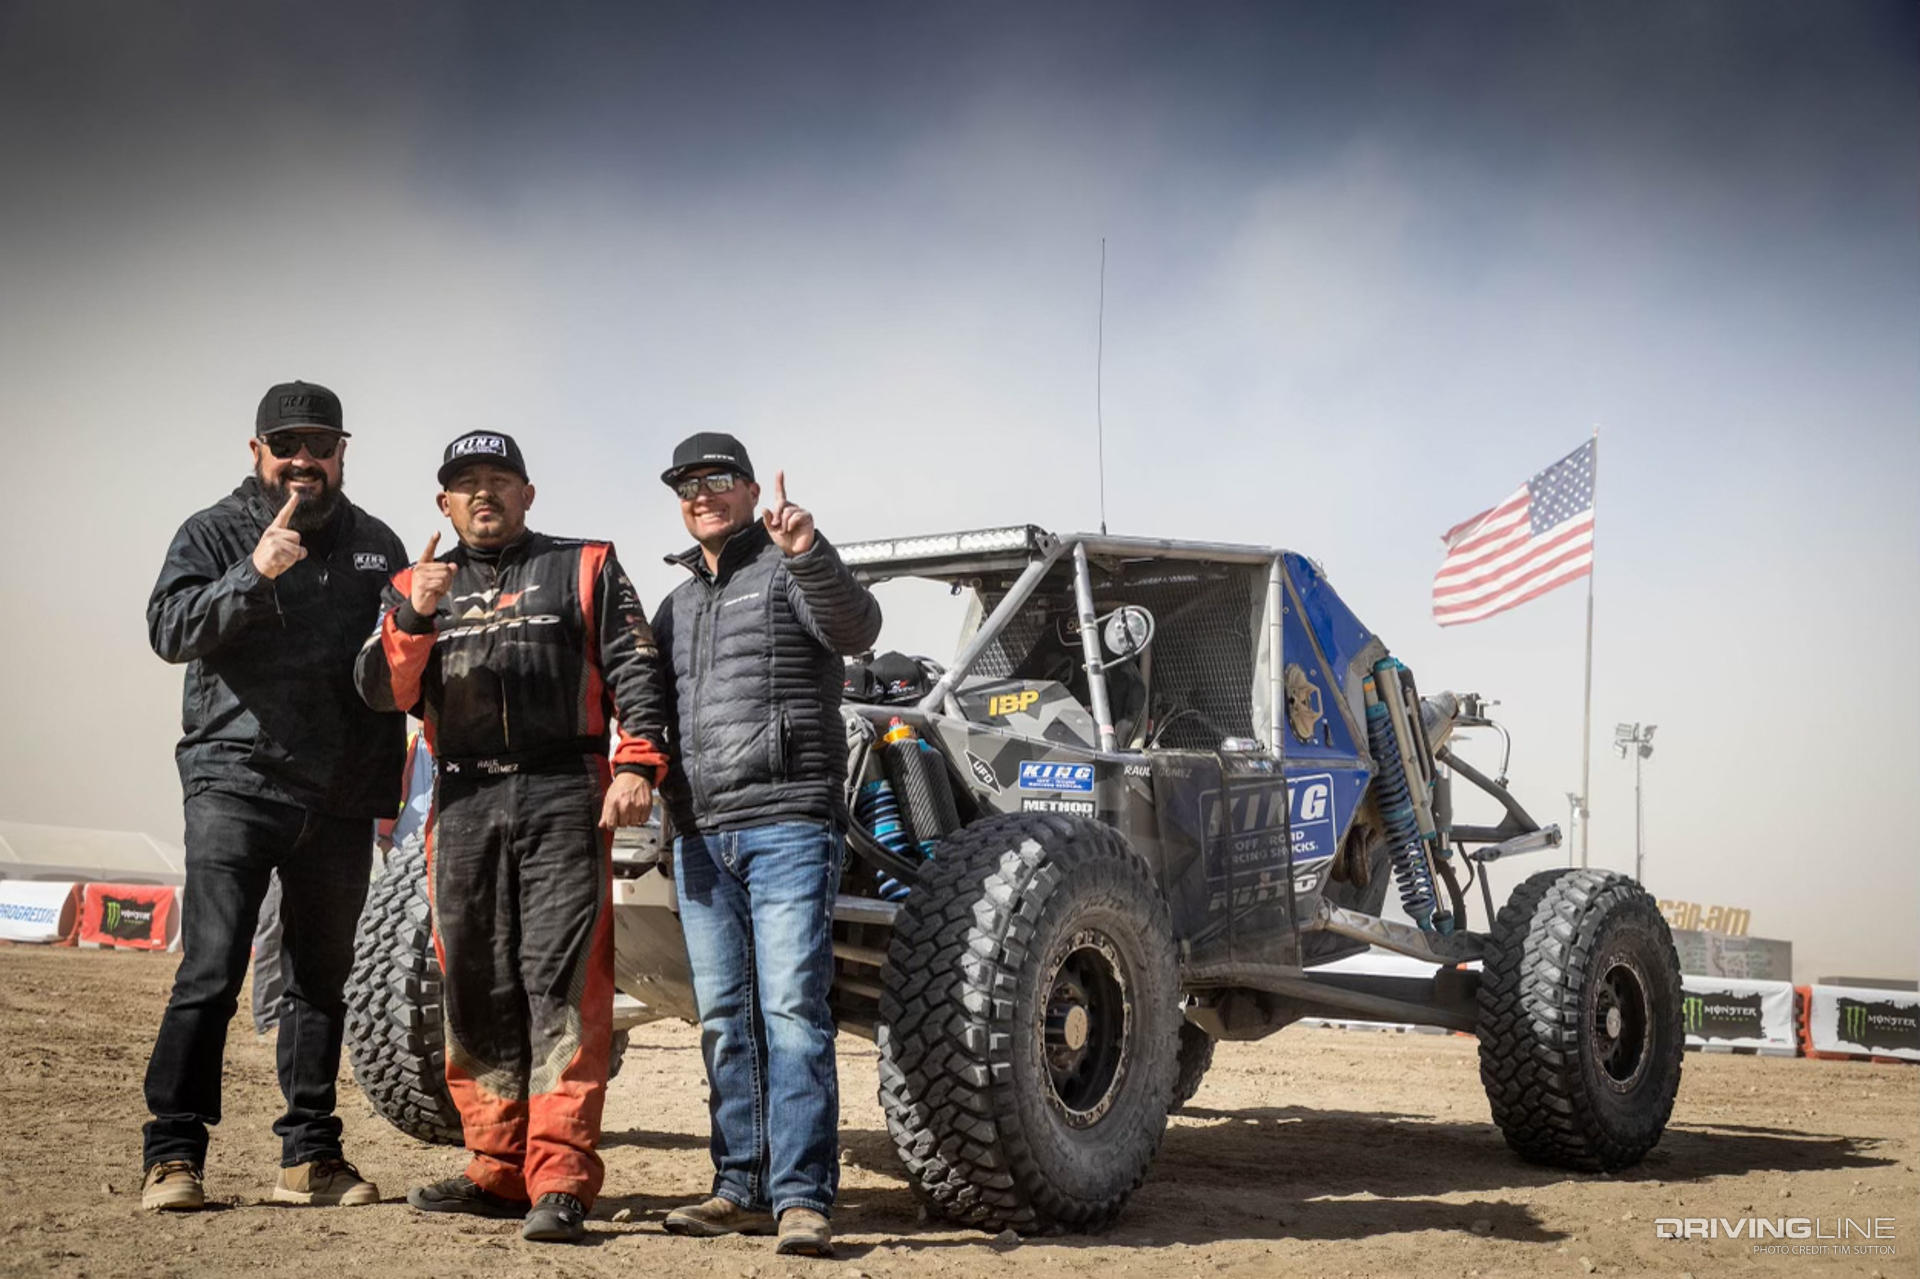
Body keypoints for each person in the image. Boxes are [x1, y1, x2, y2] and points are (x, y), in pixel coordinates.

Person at [354, 430, 669, 1245]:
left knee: (560, 982)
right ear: (444, 504)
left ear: (529, 493)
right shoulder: (412, 584)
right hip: (460, 798)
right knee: (474, 982)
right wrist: (415, 610)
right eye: (467, 485)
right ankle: (495, 1167)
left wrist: (637, 762)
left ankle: (559, 1175)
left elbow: (638, 666)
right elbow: (382, 691)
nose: (484, 495)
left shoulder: (587, 563)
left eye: (500, 481)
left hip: (565, 787)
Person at [141, 380, 408, 1212]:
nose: (303, 460)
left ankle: (309, 1158)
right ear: (255, 450)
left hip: (340, 793)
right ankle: (174, 1154)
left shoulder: (379, 542)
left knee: (322, 982)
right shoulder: (215, 530)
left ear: (341, 453)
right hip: (235, 783)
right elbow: (169, 630)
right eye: (285, 444)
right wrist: (251, 574)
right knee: (212, 969)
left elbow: (399, 661)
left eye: (318, 446)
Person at [653, 433, 882, 1259]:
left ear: (750, 490)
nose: (700, 492)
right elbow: (647, 705)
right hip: (701, 831)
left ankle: (801, 1198)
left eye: (717, 479)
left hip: (788, 820)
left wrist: (810, 551)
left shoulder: (790, 567)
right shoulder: (675, 604)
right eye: (686, 482)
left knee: (791, 1010)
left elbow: (859, 627)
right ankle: (739, 1186)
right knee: (723, 1018)